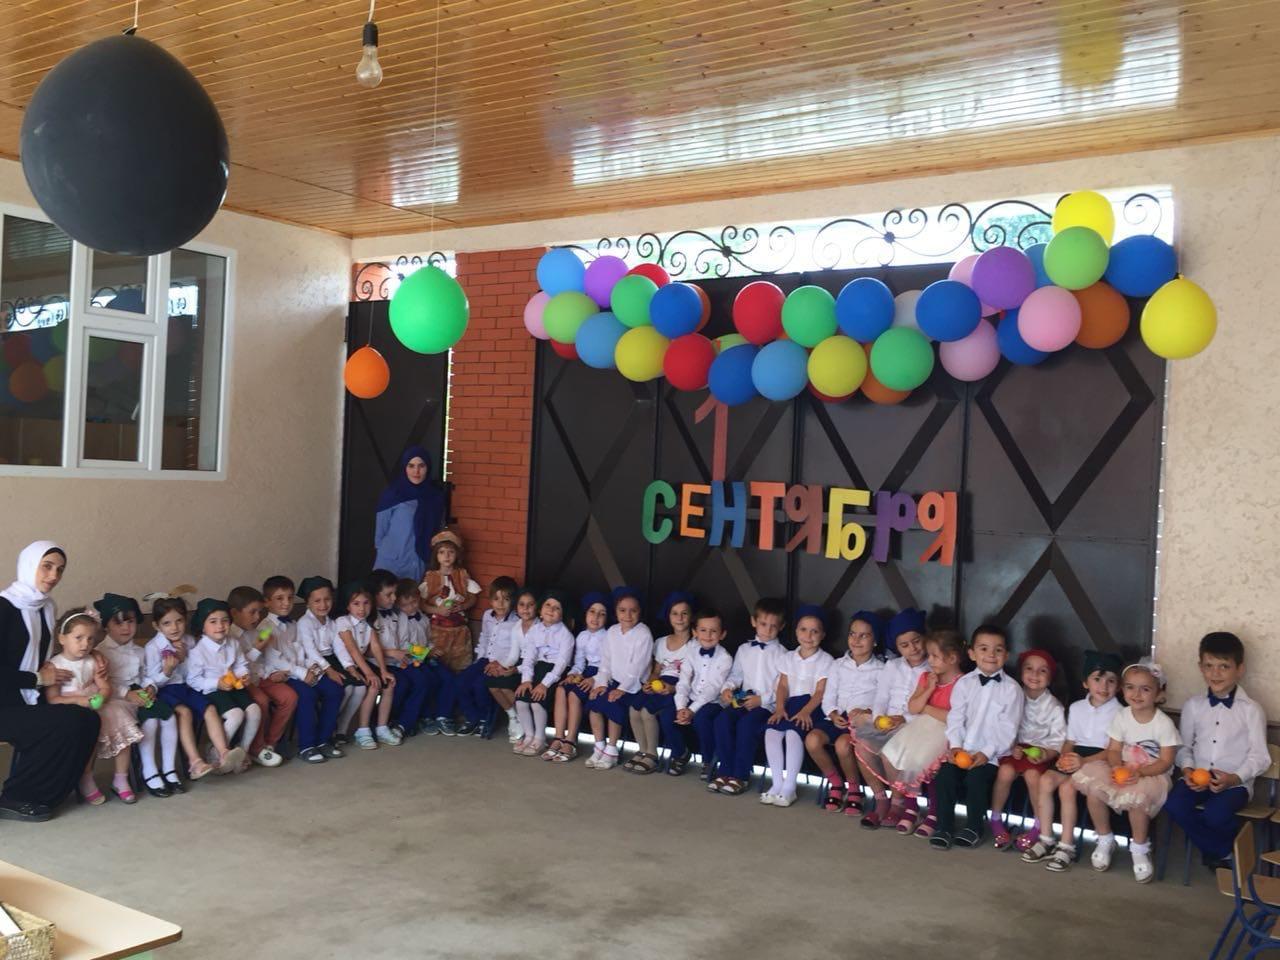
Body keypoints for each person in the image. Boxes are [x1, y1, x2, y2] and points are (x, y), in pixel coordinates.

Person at [1166, 632, 1271, 868]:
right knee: (1174, 805)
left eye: (1224, 666)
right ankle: (1224, 851)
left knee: (1215, 814)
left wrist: (1234, 778)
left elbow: (1260, 757)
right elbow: (1183, 747)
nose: (1215, 673)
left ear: (1239, 669)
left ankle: (1216, 851)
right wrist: (1187, 770)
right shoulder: (1193, 705)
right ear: (1200, 667)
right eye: (1209, 666)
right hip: (1197, 777)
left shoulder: (1251, 710)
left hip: (1235, 784)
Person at [1071, 659, 1180, 883]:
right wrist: (1116, 767)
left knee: (1137, 800)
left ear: (1159, 693)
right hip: (1122, 765)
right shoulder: (1122, 716)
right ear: (1123, 689)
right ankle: (1105, 837)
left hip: (1151, 772)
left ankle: (1139, 847)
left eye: (1145, 689)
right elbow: (1113, 749)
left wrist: (1141, 773)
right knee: (1094, 791)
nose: (1136, 694)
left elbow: (1166, 761)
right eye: (1130, 687)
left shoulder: (1163, 723)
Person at [1023, 650, 1122, 871]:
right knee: (1046, 780)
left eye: (1111, 681)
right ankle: (1046, 838)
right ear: (1085, 683)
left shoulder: (1121, 713)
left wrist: (1083, 762)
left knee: (1067, 788)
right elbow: (1069, 740)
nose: (1104, 686)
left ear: (1119, 686)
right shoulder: (1077, 708)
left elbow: (1113, 751)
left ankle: (1067, 846)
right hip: (1075, 754)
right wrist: (1063, 757)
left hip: (1099, 760)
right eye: (1097, 679)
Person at [930, 624, 1024, 851]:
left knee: (976, 781)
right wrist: (955, 746)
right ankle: (944, 827)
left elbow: (1008, 728)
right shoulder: (964, 683)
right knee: (944, 777)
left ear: (1006, 655)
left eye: (998, 650)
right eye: (984, 649)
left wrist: (986, 752)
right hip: (962, 750)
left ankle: (974, 827)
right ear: (972, 654)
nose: (991, 654)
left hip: (990, 755)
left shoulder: (1012, 689)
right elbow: (956, 717)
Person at [879, 629, 966, 837]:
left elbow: (953, 718)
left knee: (929, 766)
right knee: (900, 756)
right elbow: (912, 707)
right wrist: (928, 690)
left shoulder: (963, 683)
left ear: (952, 658)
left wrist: (926, 708)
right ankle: (911, 807)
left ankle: (934, 812)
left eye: (935, 656)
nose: (930, 660)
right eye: (930, 655)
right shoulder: (927, 677)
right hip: (921, 727)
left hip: (946, 733)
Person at [851, 609, 929, 827]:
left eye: (916, 641)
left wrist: (903, 719)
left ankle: (898, 802)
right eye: (905, 645)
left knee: (890, 754)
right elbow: (881, 697)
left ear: (925, 638)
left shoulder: (932, 668)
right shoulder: (893, 666)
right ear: (897, 647)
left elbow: (928, 706)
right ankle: (880, 799)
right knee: (861, 747)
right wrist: (878, 718)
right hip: (886, 721)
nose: (913, 648)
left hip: (914, 724)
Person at [94, 593, 176, 799]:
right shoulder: (100, 652)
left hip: (138, 695)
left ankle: (169, 769)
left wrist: (151, 687)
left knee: (168, 716)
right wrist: (126, 693)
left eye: (130, 622)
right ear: (106, 625)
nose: (126, 628)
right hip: (114, 699)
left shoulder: (139, 651)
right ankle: (147, 771)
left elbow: (146, 675)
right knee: (149, 722)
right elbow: (102, 682)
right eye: (118, 623)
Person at [260, 575, 345, 763]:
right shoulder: (265, 627)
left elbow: (301, 650)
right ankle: (306, 746)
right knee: (307, 695)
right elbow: (273, 657)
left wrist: (311, 668)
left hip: (302, 670)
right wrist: (301, 673)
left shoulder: (293, 624)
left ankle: (323, 740)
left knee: (335, 689)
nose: (286, 603)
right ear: (267, 602)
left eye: (290, 598)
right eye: (279, 598)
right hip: (283, 675)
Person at [808, 611, 886, 814]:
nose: (856, 640)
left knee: (843, 745)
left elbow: (882, 700)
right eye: (852, 634)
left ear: (875, 641)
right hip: (836, 717)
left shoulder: (881, 670)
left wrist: (868, 711)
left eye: (864, 635)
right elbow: (828, 696)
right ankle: (835, 782)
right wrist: (833, 714)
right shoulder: (837, 665)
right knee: (812, 740)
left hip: (860, 722)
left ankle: (854, 789)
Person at [988, 649, 1066, 850]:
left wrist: (1045, 754)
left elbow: (1058, 740)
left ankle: (1038, 825)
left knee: (1033, 776)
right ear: (1021, 671)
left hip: (1041, 752)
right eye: (1029, 669)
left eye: (1042, 671)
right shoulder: (1013, 696)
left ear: (1050, 677)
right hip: (1016, 748)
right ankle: (995, 818)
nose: (1035, 675)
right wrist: (1011, 745)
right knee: (1005, 772)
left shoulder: (1054, 706)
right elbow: (1004, 725)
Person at [45, 609, 124, 806]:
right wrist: (79, 700)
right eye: (78, 638)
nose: (85, 644)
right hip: (69, 708)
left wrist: (101, 696)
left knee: (110, 726)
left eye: (90, 639)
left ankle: (103, 777)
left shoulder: (94, 661)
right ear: (62, 638)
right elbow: (53, 699)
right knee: (84, 734)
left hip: (94, 704)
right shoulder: (54, 666)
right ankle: (77, 777)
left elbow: (105, 687)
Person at [710, 597, 787, 796]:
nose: (767, 630)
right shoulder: (744, 649)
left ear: (781, 627)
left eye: (773, 626)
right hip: (744, 697)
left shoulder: (783, 655)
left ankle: (740, 775)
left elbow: (783, 686)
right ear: (754, 621)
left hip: (766, 705)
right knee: (722, 720)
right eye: (763, 624)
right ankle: (725, 770)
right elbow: (736, 675)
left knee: (747, 726)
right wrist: (727, 688)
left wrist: (762, 700)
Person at [144, 595, 222, 781]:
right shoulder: (152, 647)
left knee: (210, 708)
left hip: (186, 687)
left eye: (179, 621)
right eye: (167, 623)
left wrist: (186, 658)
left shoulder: (190, 641)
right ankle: (195, 762)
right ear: (156, 625)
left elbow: (193, 675)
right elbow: (152, 681)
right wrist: (168, 670)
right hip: (165, 690)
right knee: (185, 713)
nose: (174, 627)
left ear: (185, 620)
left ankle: (223, 752)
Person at [762, 607, 833, 807]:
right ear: (796, 631)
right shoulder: (788, 658)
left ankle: (789, 787)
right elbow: (783, 686)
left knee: (794, 734)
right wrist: (779, 708)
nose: (808, 636)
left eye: (814, 631)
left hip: (812, 707)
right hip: (790, 704)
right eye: (803, 630)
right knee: (771, 732)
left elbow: (820, 691)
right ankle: (777, 783)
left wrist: (805, 711)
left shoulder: (826, 660)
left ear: (823, 635)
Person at [185, 598, 262, 769]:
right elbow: (193, 680)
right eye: (213, 622)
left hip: (233, 686)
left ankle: (243, 751)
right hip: (212, 690)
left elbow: (241, 664)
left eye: (224, 621)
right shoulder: (198, 651)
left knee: (255, 710)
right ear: (202, 626)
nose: (220, 626)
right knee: (236, 715)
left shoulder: (233, 643)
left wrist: (244, 675)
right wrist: (216, 683)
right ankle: (217, 753)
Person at [419, 529, 481, 734]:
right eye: (442, 552)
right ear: (435, 556)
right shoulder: (431, 578)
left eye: (451, 552)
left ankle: (450, 713)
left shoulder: (462, 575)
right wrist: (437, 610)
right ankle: (434, 713)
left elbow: (473, 596)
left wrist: (463, 606)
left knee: (459, 671)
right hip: (438, 631)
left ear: (457, 554)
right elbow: (421, 602)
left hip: (459, 631)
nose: (446, 556)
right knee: (440, 671)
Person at [227, 586, 296, 768]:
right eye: (252, 612)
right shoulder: (229, 636)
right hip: (243, 681)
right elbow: (239, 666)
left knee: (289, 696)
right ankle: (255, 748)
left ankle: (270, 743)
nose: (257, 617)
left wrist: (272, 673)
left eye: (260, 612)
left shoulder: (259, 630)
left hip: (262, 676)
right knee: (262, 701)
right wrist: (257, 649)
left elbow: (267, 658)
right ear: (234, 613)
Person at [588, 587, 654, 771]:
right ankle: (599, 746)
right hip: (614, 682)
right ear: (616, 612)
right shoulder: (612, 631)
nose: (627, 615)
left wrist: (622, 689)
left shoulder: (643, 634)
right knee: (595, 701)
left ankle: (611, 749)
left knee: (613, 704)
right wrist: (601, 684)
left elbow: (638, 667)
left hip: (634, 686)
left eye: (633, 610)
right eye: (622, 610)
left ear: (639, 612)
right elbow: (606, 662)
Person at [297, 576, 364, 743]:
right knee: (344, 688)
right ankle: (328, 725)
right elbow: (310, 650)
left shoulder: (331, 622)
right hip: (314, 662)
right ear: (307, 603)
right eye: (317, 601)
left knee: (359, 687)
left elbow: (339, 647)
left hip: (331, 660)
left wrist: (350, 667)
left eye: (327, 599)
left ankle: (340, 728)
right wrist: (329, 670)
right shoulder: (304, 623)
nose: (323, 605)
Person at [333, 582, 401, 750]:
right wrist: (370, 673)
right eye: (356, 604)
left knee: (389, 683)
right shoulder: (343, 622)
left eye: (366, 603)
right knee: (373, 685)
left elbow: (375, 647)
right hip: (345, 664)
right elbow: (353, 650)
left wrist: (383, 670)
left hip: (361, 663)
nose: (361, 608)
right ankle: (362, 730)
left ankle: (382, 728)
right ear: (347, 606)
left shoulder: (369, 622)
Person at [632, 592, 694, 773]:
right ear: (668, 616)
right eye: (675, 613)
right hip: (660, 684)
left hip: (681, 688)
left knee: (648, 711)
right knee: (634, 708)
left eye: (684, 613)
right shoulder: (661, 642)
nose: (680, 618)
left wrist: (673, 688)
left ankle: (653, 755)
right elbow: (656, 671)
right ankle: (642, 750)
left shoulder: (695, 644)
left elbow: (696, 677)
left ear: (691, 616)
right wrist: (650, 683)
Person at [545, 590, 607, 762]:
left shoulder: (608, 636)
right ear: (585, 614)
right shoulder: (582, 636)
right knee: (561, 688)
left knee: (574, 694)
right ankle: (559, 737)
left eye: (602, 614)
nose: (596, 617)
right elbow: (579, 662)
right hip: (584, 673)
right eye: (592, 612)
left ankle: (571, 740)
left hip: (601, 674)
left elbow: (609, 665)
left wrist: (595, 679)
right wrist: (573, 674)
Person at [513, 591, 575, 758]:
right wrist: (526, 680)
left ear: (562, 614)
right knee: (521, 700)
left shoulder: (566, 635)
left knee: (537, 701)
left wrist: (543, 685)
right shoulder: (535, 630)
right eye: (548, 605)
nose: (551, 609)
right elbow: (529, 657)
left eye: (557, 608)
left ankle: (540, 738)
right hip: (537, 668)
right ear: (540, 610)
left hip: (555, 674)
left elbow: (561, 664)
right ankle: (529, 735)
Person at [673, 609, 733, 777]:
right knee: (667, 715)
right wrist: (681, 707)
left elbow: (712, 688)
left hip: (714, 701)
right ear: (695, 632)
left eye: (713, 631)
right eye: (703, 630)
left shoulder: (725, 658)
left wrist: (692, 710)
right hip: (692, 697)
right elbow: (684, 681)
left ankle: (708, 760)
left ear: (722, 634)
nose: (708, 635)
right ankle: (681, 753)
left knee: (702, 719)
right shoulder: (691, 653)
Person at [369, 572, 430, 737]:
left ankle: (404, 723)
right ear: (375, 595)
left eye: (394, 593)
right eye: (388, 595)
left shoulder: (398, 615)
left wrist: (424, 653)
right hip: (377, 663)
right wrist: (393, 652)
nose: (394, 598)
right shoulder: (370, 617)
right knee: (400, 684)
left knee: (422, 680)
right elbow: (365, 649)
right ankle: (384, 720)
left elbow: (405, 644)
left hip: (398, 661)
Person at [373, 445, 446, 581]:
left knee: (413, 594)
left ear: (428, 467)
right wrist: (387, 552)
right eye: (411, 466)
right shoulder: (392, 494)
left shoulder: (435, 497)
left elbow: (439, 530)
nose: (416, 471)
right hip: (390, 561)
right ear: (404, 468)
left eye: (421, 466)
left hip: (419, 561)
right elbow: (380, 532)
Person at [460, 577, 518, 738]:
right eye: (496, 599)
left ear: (513, 601)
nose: (500, 604)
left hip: (502, 664)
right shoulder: (487, 615)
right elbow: (484, 638)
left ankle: (485, 720)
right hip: (485, 659)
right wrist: (479, 660)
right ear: (491, 600)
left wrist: (502, 665)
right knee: (461, 682)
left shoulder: (517, 621)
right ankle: (472, 717)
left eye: (506, 599)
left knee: (480, 685)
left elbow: (516, 649)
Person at [485, 587, 538, 744]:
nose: (526, 609)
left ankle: (524, 720)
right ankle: (513, 717)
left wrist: (515, 670)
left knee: (506, 686)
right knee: (492, 683)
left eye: (530, 605)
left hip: (535, 666)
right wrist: (503, 667)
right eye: (522, 605)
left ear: (537, 607)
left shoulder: (539, 627)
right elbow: (514, 654)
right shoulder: (517, 626)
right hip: (520, 663)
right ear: (517, 607)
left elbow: (535, 659)